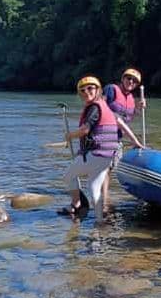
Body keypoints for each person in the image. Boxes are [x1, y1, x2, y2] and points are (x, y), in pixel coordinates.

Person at [61, 76, 144, 222]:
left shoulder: (94, 107)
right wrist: (136, 142)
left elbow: (85, 130)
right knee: (94, 189)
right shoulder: (107, 109)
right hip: (106, 158)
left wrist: (69, 136)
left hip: (94, 154)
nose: (86, 92)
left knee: (68, 176)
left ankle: (77, 203)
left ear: (98, 90)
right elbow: (122, 124)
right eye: (83, 90)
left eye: (90, 88)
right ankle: (100, 223)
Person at [100, 68, 147, 213]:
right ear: (123, 78)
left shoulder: (132, 99)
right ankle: (104, 198)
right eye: (129, 78)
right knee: (104, 167)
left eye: (134, 81)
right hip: (104, 134)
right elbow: (100, 106)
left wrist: (139, 109)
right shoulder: (111, 89)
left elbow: (129, 119)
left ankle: (104, 196)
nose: (131, 82)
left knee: (111, 168)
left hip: (118, 137)